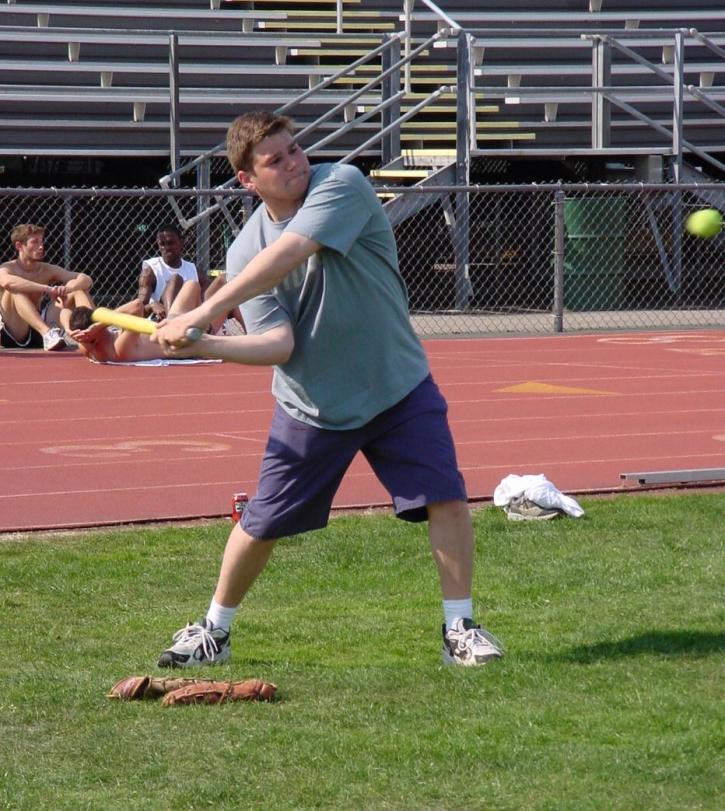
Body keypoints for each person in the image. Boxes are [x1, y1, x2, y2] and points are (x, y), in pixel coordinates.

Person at [151, 111, 503, 669]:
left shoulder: (342, 184)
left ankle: (460, 626)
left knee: (445, 496)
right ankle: (213, 632)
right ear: (248, 180)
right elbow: (278, 344)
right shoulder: (244, 251)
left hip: (396, 384)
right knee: (260, 521)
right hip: (313, 405)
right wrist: (204, 346)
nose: (294, 162)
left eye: (295, 149)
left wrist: (208, 310)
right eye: (276, 159)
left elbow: (291, 252)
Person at [62, 279, 206, 363]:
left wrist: (68, 331)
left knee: (190, 285)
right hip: (180, 338)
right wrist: (102, 323)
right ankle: (206, 329)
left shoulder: (84, 343)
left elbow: (72, 299)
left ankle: (204, 323)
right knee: (195, 285)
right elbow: (137, 306)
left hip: (167, 323)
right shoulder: (118, 349)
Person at [0, 223, 94, 350]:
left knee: (78, 288)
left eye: (41, 241)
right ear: (19, 246)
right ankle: (47, 333)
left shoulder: (47, 269)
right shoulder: (7, 268)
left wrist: (68, 289)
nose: (41, 246)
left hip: (43, 327)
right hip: (16, 331)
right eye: (34, 242)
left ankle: (95, 333)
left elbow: (86, 279)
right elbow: (7, 283)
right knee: (15, 290)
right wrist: (48, 289)